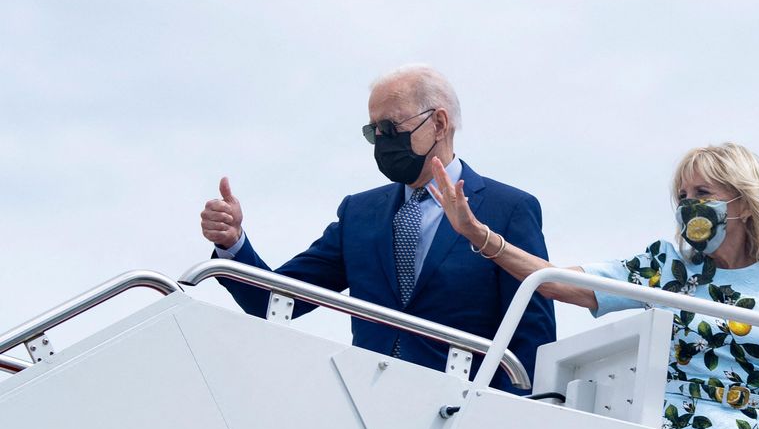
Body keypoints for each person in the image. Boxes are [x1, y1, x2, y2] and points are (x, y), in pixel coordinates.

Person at [428, 142, 759, 429]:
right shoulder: (666, 266)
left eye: (703, 193)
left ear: (744, 201)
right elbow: (558, 283)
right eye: (682, 196)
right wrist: (478, 234)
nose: (689, 205)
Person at [198, 64, 556, 393]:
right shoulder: (360, 213)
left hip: (462, 418)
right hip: (368, 413)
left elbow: (531, 338)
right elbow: (274, 301)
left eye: (391, 128)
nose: (383, 141)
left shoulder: (507, 209)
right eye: (374, 131)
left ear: (439, 123)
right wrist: (233, 245)